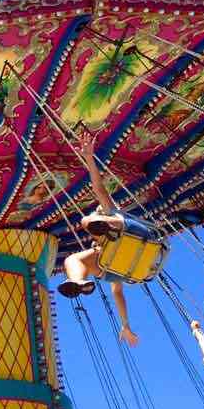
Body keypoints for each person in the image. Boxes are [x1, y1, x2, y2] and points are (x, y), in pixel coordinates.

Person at [56, 128, 142, 346]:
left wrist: (89, 159)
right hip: (114, 260)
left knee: (86, 221)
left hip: (126, 233)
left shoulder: (112, 211)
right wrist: (125, 324)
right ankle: (78, 281)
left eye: (99, 211)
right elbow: (118, 294)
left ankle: (100, 226)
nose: (98, 210)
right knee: (71, 260)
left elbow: (98, 188)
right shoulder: (113, 261)